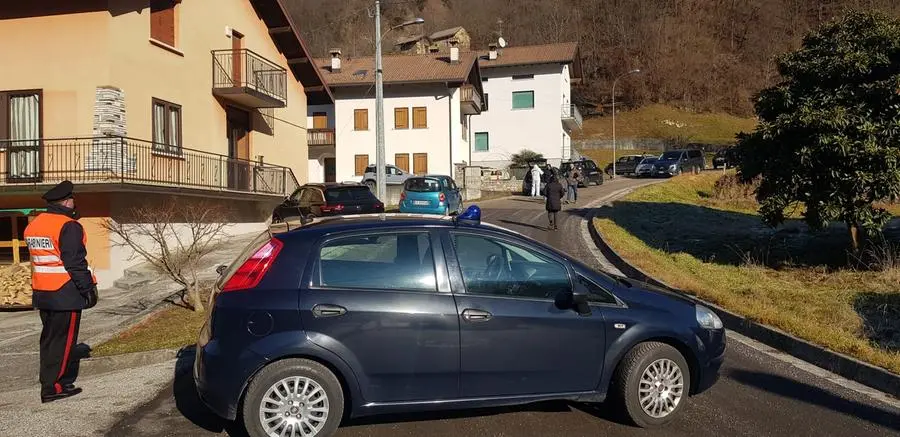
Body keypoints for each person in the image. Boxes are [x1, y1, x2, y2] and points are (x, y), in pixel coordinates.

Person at [24, 180, 98, 403]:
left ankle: (48, 381)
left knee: (48, 340)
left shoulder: (35, 224)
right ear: (66, 201)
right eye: (73, 199)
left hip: (42, 291)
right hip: (65, 293)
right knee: (63, 342)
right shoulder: (68, 226)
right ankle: (54, 387)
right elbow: (75, 262)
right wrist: (88, 288)